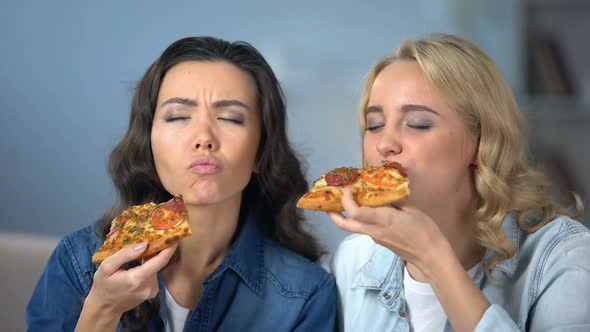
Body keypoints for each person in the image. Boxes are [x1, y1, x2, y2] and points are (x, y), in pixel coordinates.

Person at [27, 36, 337, 331]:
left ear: (260, 152)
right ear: (148, 145)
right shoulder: (77, 261)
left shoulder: (305, 294)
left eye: (230, 118)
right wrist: (102, 311)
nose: (204, 138)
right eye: (177, 117)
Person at [329, 33, 589, 331]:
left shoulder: (563, 257)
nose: (385, 143)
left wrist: (433, 257)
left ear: (481, 141)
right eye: (375, 125)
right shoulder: (352, 259)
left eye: (418, 123)